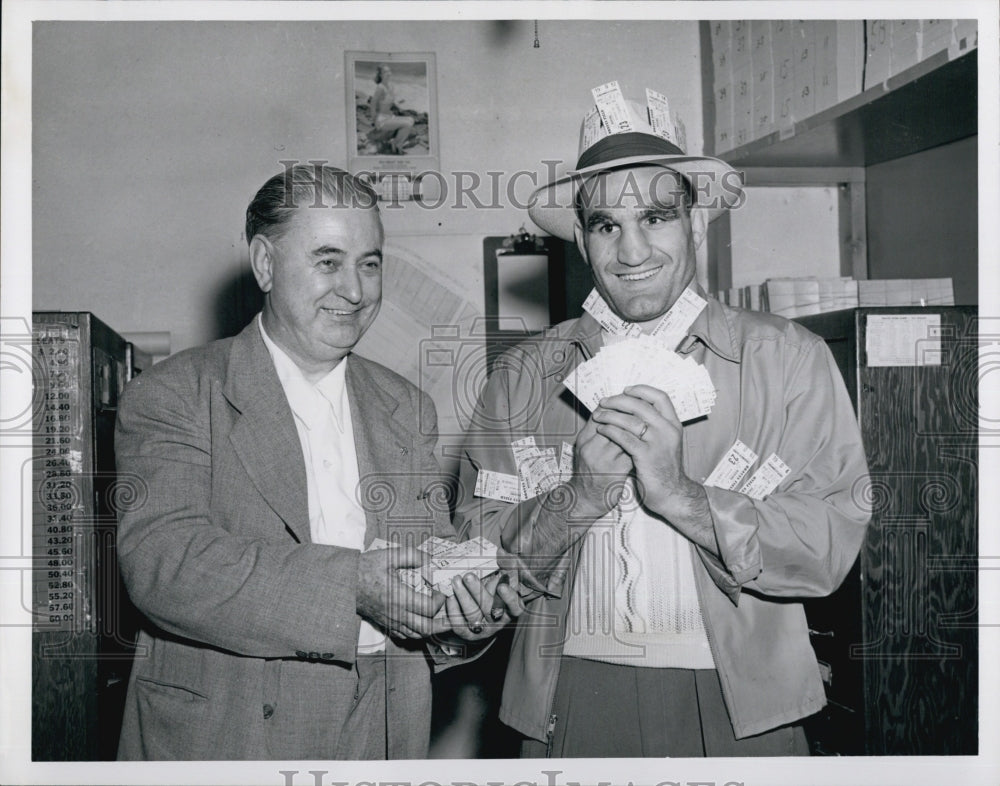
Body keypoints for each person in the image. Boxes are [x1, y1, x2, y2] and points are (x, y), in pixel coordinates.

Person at [455, 90, 871, 757]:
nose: (633, 248)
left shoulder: (789, 359)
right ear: (583, 243)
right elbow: (473, 561)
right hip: (570, 696)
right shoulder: (523, 377)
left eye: (656, 216)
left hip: (744, 704)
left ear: (696, 224)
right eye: (606, 225)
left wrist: (683, 497)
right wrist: (576, 500)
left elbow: (828, 546)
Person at [114, 164, 521, 760]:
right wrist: (352, 584)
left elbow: (428, 572)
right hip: (230, 738)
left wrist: (467, 613)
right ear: (265, 263)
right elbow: (165, 565)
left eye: (371, 263)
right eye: (328, 261)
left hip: (383, 735)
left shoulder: (407, 408)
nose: (355, 290)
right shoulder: (177, 392)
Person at [370, 64, 414, 155]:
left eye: (389, 71)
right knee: (407, 124)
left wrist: (400, 103)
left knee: (411, 119)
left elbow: (391, 102)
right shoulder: (380, 87)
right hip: (382, 119)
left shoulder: (391, 86)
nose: (388, 73)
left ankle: (395, 142)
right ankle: (397, 144)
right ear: (381, 75)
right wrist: (374, 120)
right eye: (385, 72)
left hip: (390, 117)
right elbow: (373, 104)